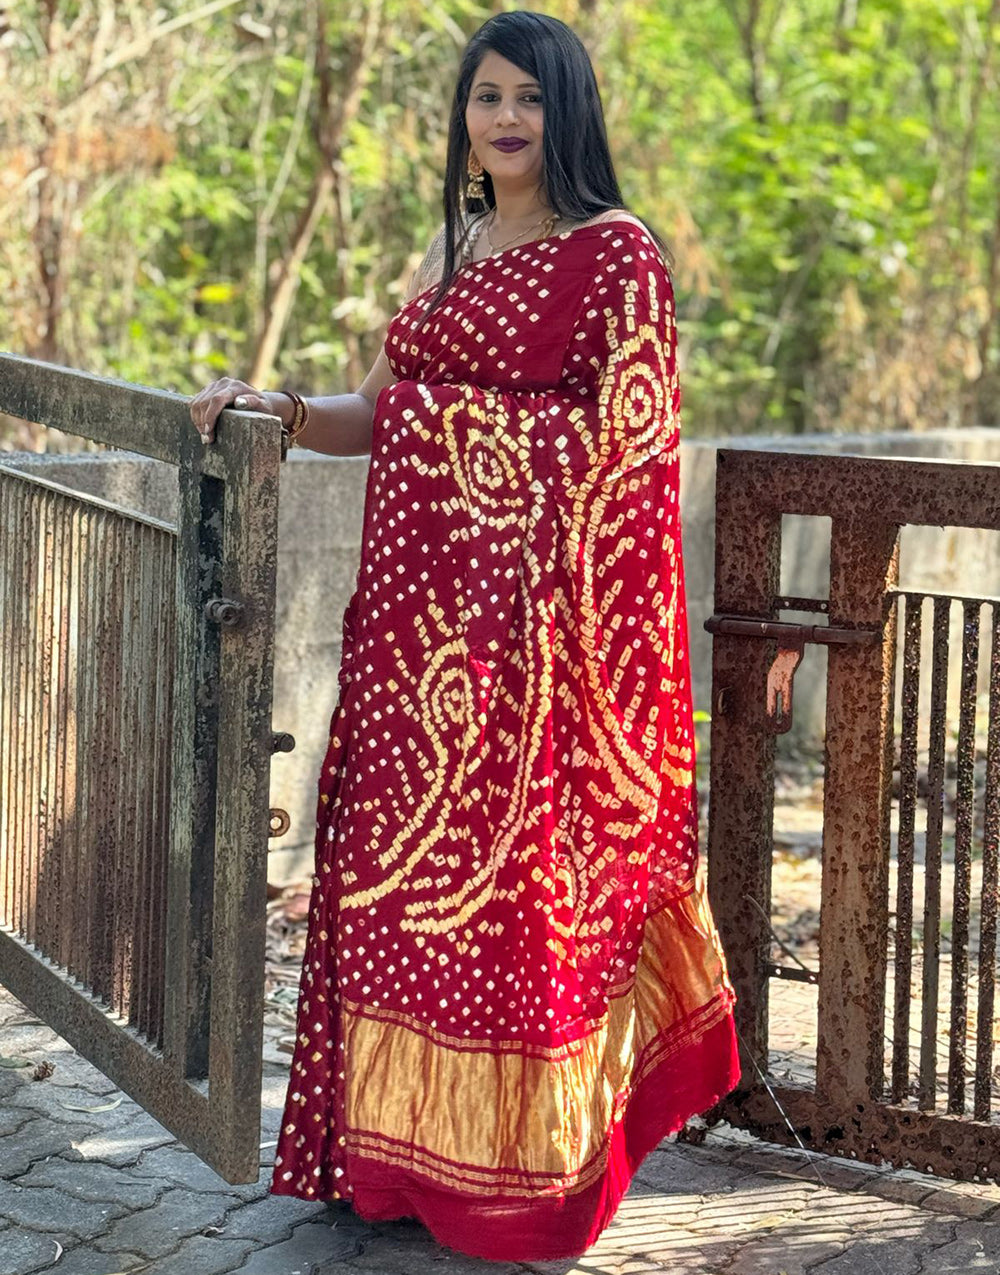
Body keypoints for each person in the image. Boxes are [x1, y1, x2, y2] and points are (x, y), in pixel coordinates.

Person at [189, 10, 738, 1263]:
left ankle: (523, 1181)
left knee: (513, 907)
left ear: (569, 114)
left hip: (533, 660)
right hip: (409, 641)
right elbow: (382, 415)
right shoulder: (459, 241)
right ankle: (391, 1167)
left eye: (528, 101)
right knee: (396, 886)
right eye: (486, 97)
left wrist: (458, 432)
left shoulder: (616, 258)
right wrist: (273, 406)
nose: (503, 120)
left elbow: (627, 457)